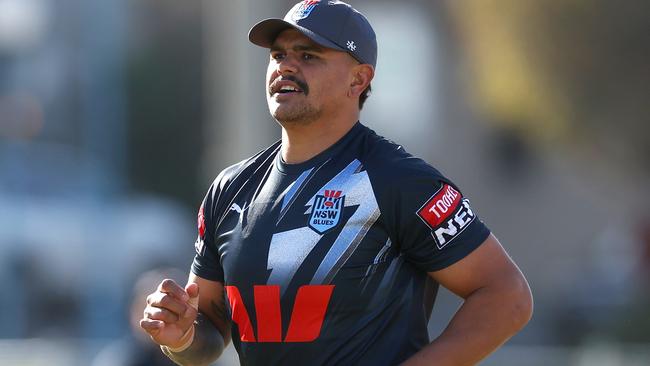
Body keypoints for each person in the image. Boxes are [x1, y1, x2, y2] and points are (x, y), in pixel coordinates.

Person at [140, 1, 533, 365]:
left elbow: (507, 297)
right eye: (278, 55)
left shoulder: (399, 179)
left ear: (359, 79)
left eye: (308, 55)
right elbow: (209, 334)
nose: (285, 67)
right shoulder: (230, 189)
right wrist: (180, 337)